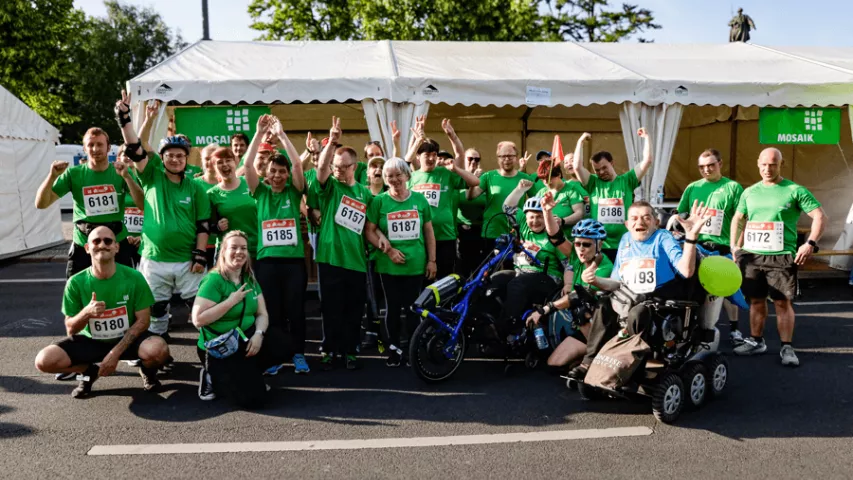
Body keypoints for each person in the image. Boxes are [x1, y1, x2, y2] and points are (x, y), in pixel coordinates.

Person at [567, 200, 711, 381]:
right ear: (627, 224)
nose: (640, 222)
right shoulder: (626, 240)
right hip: (630, 294)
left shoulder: (662, 237)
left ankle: (629, 365)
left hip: (660, 298)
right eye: (634, 218)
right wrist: (595, 280)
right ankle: (589, 362)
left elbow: (686, 271)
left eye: (646, 218)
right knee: (603, 304)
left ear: (656, 222)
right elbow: (616, 283)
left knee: (638, 312)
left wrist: (691, 237)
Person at [114, 91, 211, 342]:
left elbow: (203, 225)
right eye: (170, 155)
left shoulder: (196, 186)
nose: (176, 159)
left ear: (186, 159)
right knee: (156, 311)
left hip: (187, 260)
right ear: (163, 158)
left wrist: (200, 254)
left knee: (200, 308)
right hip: (155, 259)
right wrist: (124, 119)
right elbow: (136, 147)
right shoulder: (151, 176)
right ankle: (157, 356)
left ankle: (212, 350)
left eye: (180, 155)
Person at [34, 227, 170, 398]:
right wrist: (86, 313)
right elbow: (71, 330)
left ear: (116, 247)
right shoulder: (76, 282)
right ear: (87, 248)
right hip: (91, 341)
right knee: (44, 361)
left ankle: (148, 372)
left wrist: (114, 354)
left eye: (108, 241)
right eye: (96, 241)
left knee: (158, 350)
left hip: (127, 339)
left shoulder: (134, 277)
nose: (102, 245)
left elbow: (143, 321)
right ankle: (88, 372)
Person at [730, 148, 826, 367]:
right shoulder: (750, 192)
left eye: (772, 164)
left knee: (782, 303)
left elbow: (820, 216)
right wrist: (734, 246)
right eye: (764, 164)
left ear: (781, 164)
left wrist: (809, 243)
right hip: (752, 256)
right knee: (755, 301)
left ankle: (787, 347)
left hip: (781, 256)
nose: (767, 169)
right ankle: (756, 342)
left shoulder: (794, 190)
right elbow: (738, 218)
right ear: (758, 164)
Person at [191, 231, 292, 408]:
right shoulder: (213, 280)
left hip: (244, 339)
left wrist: (259, 335)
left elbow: (262, 314)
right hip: (220, 347)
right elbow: (198, 319)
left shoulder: (250, 279)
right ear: (223, 251)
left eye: (243, 248)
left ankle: (250, 374)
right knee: (252, 401)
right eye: (234, 247)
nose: (239, 252)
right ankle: (210, 376)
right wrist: (230, 301)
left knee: (284, 343)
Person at [243, 115, 310, 375]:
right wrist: (259, 134)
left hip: (293, 262)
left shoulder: (294, 192)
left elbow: (296, 164)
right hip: (267, 262)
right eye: (274, 171)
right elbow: (248, 165)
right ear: (267, 174)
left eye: (281, 172)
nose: (279, 175)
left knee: (296, 310)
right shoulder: (260, 192)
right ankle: (275, 357)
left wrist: (282, 136)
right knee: (272, 311)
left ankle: (299, 354)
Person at [35, 127, 140, 278]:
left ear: (108, 147)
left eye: (100, 144)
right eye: (90, 145)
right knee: (78, 292)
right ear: (84, 148)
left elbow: (142, 205)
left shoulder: (121, 172)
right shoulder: (73, 174)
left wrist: (128, 178)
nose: (95, 149)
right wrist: (51, 176)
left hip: (116, 241)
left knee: (124, 289)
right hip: (84, 242)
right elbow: (41, 204)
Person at [313, 117, 373, 370]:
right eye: (335, 166)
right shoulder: (330, 187)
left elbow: (370, 228)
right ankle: (329, 348)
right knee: (330, 308)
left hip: (356, 260)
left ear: (354, 166)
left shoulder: (366, 193)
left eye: (343, 166)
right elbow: (320, 170)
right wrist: (332, 141)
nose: (338, 170)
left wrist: (385, 246)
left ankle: (350, 350)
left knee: (353, 308)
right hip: (329, 257)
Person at [526, 196, 613, 369]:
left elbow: (577, 297)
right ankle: (583, 359)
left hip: (594, 325)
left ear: (599, 244)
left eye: (586, 244)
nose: (580, 248)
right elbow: (556, 237)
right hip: (575, 319)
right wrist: (547, 211)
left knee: (580, 304)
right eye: (578, 244)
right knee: (553, 364)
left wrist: (545, 309)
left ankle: (598, 354)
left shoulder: (605, 266)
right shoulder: (576, 254)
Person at [366, 158, 437, 366]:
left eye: (399, 175)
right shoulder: (379, 201)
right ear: (385, 179)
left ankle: (413, 350)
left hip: (416, 263)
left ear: (407, 175)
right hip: (389, 265)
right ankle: (395, 349)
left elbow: (429, 232)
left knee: (413, 308)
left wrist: (432, 260)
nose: (395, 179)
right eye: (390, 176)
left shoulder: (420, 200)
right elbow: (369, 231)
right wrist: (387, 251)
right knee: (393, 308)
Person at [672, 149, 744, 345]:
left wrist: (736, 246)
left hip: (722, 246)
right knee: (696, 288)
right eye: (702, 167)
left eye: (711, 165)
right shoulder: (692, 187)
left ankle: (735, 329)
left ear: (720, 163)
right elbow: (681, 214)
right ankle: (697, 328)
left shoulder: (733, 187)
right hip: (697, 245)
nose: (706, 169)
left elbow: (741, 219)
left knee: (726, 288)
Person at [494, 180, 571, 339]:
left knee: (518, 283)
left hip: (548, 278)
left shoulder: (552, 233)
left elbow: (569, 263)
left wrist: (569, 284)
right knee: (494, 280)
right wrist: (519, 189)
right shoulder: (522, 223)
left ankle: (510, 328)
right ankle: (489, 325)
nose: (535, 221)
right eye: (531, 217)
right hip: (521, 273)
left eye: (539, 217)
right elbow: (507, 207)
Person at [409, 119, 479, 278]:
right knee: (422, 278)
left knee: (443, 280)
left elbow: (473, 179)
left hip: (445, 236)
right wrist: (416, 138)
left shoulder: (446, 174)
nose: (432, 158)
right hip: (419, 237)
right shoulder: (412, 177)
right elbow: (406, 159)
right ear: (419, 156)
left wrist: (452, 136)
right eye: (427, 154)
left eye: (434, 155)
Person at [572, 129, 655, 262]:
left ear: (612, 163)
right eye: (597, 170)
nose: (601, 172)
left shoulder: (627, 180)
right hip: (599, 244)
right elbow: (577, 167)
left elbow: (647, 161)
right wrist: (580, 142)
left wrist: (647, 137)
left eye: (604, 167)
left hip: (625, 243)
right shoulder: (593, 183)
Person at [468, 141, 539, 256]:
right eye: (503, 156)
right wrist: (472, 182)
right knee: (490, 270)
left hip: (516, 233)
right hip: (492, 232)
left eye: (510, 156)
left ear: (516, 158)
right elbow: (471, 196)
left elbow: (538, 202)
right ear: (498, 158)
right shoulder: (488, 177)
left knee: (513, 270)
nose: (507, 159)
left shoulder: (525, 178)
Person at [208, 147, 259, 260]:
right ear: (214, 168)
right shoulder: (212, 194)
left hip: (256, 249)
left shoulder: (249, 183)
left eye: (228, 160)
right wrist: (217, 227)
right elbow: (206, 225)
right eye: (219, 162)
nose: (224, 164)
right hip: (229, 253)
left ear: (235, 162)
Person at [363, 155, 388, 350]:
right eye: (373, 166)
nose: (377, 169)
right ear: (367, 172)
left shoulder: (391, 195)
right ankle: (373, 333)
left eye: (381, 166)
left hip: (389, 256)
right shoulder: (362, 194)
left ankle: (388, 334)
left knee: (387, 297)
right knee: (370, 297)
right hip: (368, 254)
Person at [535, 152, 585, 234]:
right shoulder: (541, 192)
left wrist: (562, 221)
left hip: (568, 238)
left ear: (558, 174)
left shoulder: (571, 190)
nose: (546, 182)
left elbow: (580, 213)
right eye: (542, 179)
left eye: (549, 178)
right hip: (546, 239)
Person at [456, 148, 486, 278]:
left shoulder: (484, 179)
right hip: (462, 229)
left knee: (480, 265)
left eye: (477, 159)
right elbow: (467, 197)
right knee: (463, 266)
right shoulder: (457, 179)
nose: (473, 162)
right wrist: (473, 179)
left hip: (480, 229)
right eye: (470, 159)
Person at [118, 144, 144, 268]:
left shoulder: (146, 179)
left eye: (131, 155)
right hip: (122, 238)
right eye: (124, 154)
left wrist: (142, 236)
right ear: (119, 158)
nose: (128, 157)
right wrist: (123, 235)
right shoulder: (115, 181)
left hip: (145, 239)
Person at [194, 144, 221, 268]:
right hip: (199, 245)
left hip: (221, 244)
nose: (210, 162)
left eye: (213, 158)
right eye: (207, 159)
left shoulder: (228, 184)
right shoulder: (194, 184)